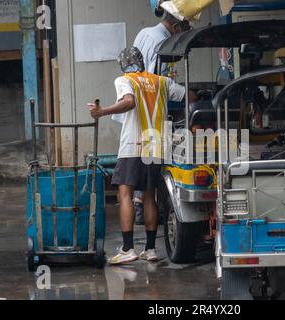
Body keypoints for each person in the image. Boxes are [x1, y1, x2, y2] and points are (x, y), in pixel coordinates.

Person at [87, 47, 192, 264]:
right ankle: (151, 249)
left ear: (123, 64)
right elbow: (189, 95)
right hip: (157, 147)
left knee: (125, 194)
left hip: (133, 146)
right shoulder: (161, 81)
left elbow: (129, 102)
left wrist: (102, 112)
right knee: (149, 196)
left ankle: (128, 249)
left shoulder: (125, 80)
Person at [133, 4, 191, 225]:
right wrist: (183, 93)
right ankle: (142, 207)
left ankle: (142, 204)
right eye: (184, 30)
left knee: (145, 161)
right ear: (176, 26)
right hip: (149, 111)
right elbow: (157, 81)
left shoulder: (145, 32)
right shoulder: (163, 42)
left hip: (139, 108)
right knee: (152, 163)